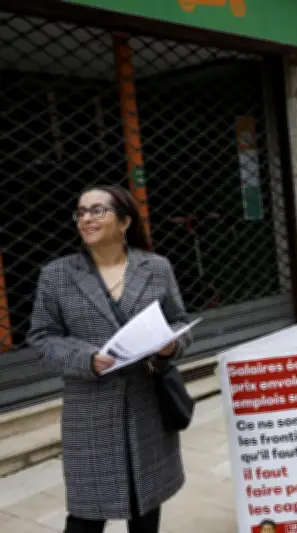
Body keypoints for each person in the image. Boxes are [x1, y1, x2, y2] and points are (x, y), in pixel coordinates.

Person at [27, 185, 191, 533]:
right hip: (89, 410)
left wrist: (170, 345)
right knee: (86, 517)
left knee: (145, 509)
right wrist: (86, 357)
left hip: (147, 405)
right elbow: (41, 337)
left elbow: (179, 321)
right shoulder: (57, 275)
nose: (86, 218)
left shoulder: (156, 268)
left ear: (124, 221)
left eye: (97, 210)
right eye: (81, 212)